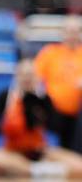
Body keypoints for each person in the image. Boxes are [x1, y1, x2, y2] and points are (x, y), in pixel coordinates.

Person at [0, 59, 82, 178]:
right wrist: (10, 126)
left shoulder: (44, 98)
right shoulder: (5, 96)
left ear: (37, 77)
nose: (27, 79)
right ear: (17, 76)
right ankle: (37, 171)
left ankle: (34, 171)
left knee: (79, 165)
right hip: (13, 152)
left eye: (31, 75)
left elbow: (56, 126)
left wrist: (41, 113)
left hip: (40, 150)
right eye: (24, 75)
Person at [34, 16, 82, 150]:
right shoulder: (50, 52)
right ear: (63, 33)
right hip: (53, 110)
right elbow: (35, 78)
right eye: (69, 31)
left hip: (77, 111)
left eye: (76, 31)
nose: (72, 36)